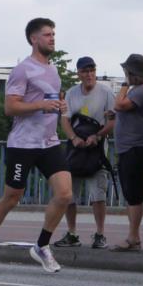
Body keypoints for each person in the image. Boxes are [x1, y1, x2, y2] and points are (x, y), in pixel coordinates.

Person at [0, 18, 73, 273]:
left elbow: (51, 100)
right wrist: (40, 105)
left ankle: (42, 245)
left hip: (49, 143)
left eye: (54, 33)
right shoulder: (22, 70)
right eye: (47, 34)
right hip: (23, 144)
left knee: (64, 194)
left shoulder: (53, 70)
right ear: (34, 39)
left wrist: (60, 106)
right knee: (12, 197)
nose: (52, 38)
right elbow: (10, 107)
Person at [54, 56, 115, 249]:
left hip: (97, 151)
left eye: (92, 71)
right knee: (70, 194)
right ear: (79, 73)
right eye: (85, 71)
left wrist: (97, 136)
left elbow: (113, 121)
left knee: (98, 194)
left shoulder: (105, 92)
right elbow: (64, 119)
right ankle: (72, 233)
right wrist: (73, 138)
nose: (89, 75)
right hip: (76, 149)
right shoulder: (72, 93)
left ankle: (100, 234)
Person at [111, 54, 143, 252]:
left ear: (132, 73)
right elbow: (123, 110)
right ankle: (134, 237)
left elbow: (119, 105)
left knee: (134, 193)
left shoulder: (142, 90)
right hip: (132, 147)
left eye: (127, 72)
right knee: (132, 192)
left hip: (139, 147)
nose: (125, 75)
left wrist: (124, 84)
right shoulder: (140, 90)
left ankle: (133, 238)